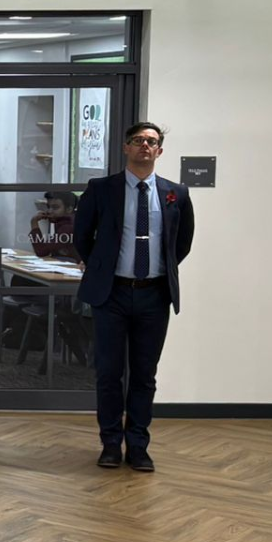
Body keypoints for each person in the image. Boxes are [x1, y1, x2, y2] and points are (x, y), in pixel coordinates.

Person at [74, 122, 195, 473]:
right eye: (138, 140)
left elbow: (181, 244)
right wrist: (101, 267)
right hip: (111, 294)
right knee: (109, 373)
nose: (145, 146)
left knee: (144, 375)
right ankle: (111, 444)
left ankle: (138, 446)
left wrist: (156, 273)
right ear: (126, 147)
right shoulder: (101, 189)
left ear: (159, 151)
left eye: (152, 142)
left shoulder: (176, 193)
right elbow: (83, 236)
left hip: (153, 296)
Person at [29, 189, 78, 260]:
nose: (49, 211)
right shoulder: (61, 222)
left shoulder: (68, 227)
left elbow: (41, 251)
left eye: (55, 207)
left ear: (69, 209)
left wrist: (34, 222)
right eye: (48, 207)